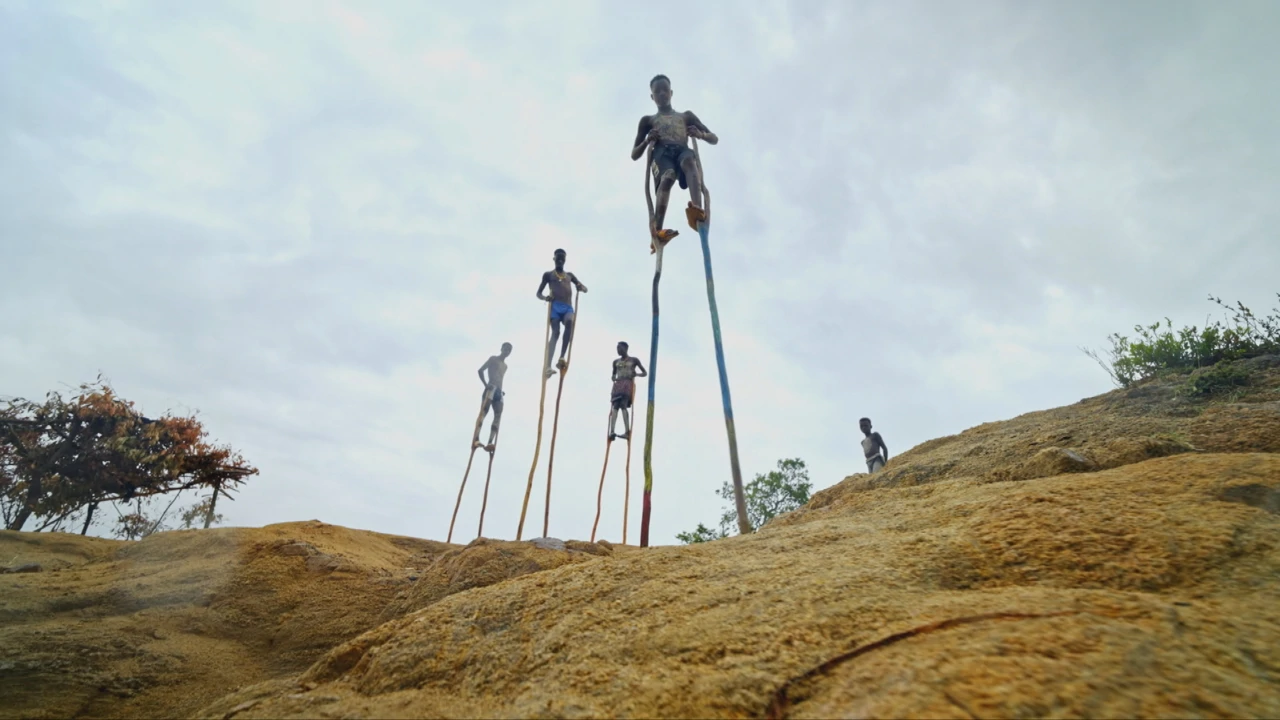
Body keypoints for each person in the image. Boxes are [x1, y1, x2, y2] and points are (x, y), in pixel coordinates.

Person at [630, 74, 719, 253]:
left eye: (665, 90)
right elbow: (634, 154)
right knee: (667, 177)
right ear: (652, 97)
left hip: (681, 150)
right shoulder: (648, 121)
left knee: (690, 162)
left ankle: (697, 209)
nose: (662, 94)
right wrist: (647, 141)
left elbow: (714, 138)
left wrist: (700, 135)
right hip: (662, 154)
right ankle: (658, 231)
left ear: (671, 92)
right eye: (657, 92)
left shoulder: (686, 116)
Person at [535, 249, 588, 378]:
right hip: (555, 308)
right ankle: (548, 366)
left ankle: (562, 357)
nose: (560, 260)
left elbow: (585, 288)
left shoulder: (569, 276)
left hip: (567, 307)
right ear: (554, 259)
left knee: (570, 322)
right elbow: (538, 293)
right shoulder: (548, 275)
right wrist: (545, 298)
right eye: (558, 258)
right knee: (556, 332)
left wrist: (580, 287)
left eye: (562, 258)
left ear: (564, 260)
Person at [473, 343, 512, 451]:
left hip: (499, 391)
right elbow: (480, 370)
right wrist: (486, 385)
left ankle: (490, 442)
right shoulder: (493, 359)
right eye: (506, 349)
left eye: (509, 350)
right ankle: (476, 438)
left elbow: (500, 378)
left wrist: (501, 390)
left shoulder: (505, 366)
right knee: (484, 412)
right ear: (501, 348)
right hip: (490, 388)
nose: (507, 351)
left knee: (498, 415)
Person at [608, 341, 647, 441]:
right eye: (617, 348)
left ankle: (627, 431)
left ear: (625, 349)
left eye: (619, 348)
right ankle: (612, 431)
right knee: (615, 406)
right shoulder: (615, 362)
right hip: (618, 385)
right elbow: (613, 373)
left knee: (623, 405)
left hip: (627, 384)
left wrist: (636, 374)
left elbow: (644, 373)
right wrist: (613, 377)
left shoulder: (634, 360)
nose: (618, 350)